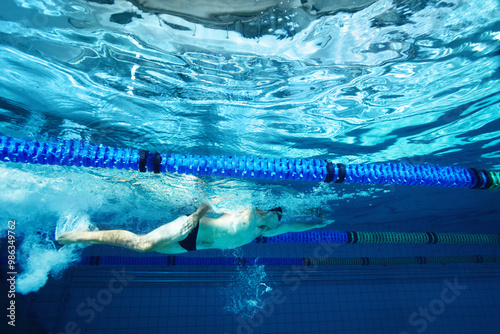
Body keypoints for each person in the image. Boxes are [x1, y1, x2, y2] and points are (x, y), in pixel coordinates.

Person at [57, 204, 331, 254]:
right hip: (191, 229)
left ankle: (87, 233)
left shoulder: (263, 231)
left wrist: (316, 223)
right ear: (267, 211)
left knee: (139, 246)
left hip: (190, 247)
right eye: (276, 216)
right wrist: (197, 213)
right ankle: (75, 235)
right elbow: (210, 199)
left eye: (277, 219)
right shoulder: (247, 211)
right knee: (142, 245)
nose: (277, 222)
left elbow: (293, 228)